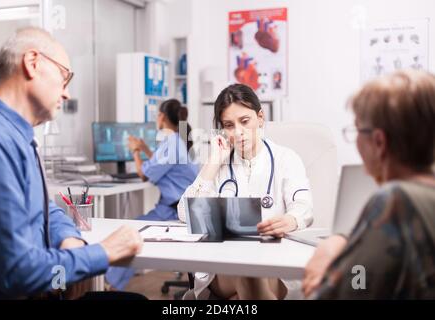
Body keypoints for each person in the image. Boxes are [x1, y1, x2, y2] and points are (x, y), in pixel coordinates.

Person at [0, 27, 144, 299]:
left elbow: (46, 212)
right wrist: (102, 253)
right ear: (33, 63)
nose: (67, 94)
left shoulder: (18, 136)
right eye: (64, 77)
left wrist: (70, 240)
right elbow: (19, 274)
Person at [303, 70, 435, 299]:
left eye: (357, 129)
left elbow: (355, 288)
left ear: (379, 142)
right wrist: (342, 240)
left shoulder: (396, 200)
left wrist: (326, 274)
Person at [177, 83, 313, 299]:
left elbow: (304, 206)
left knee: (250, 278)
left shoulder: (286, 158)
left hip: (274, 261)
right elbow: (185, 213)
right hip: (225, 266)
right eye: (229, 125)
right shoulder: (219, 163)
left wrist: (291, 219)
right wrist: (213, 162)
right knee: (246, 270)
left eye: (245, 121)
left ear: (260, 118)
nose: (238, 132)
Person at [105, 98, 198, 290]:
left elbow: (145, 174)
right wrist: (145, 148)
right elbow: (158, 163)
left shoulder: (172, 143)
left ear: (162, 117)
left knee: (133, 232)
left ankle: (109, 284)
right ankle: (110, 281)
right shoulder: (174, 140)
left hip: (175, 212)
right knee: (133, 228)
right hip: (175, 206)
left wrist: (135, 152)